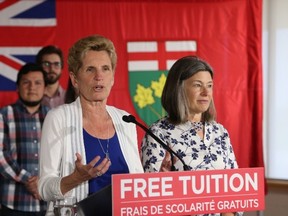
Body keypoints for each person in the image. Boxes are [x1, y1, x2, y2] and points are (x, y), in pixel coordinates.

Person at [38, 35, 143, 213]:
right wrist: (75, 178)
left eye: (105, 69)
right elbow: (43, 188)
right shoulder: (58, 118)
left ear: (113, 78)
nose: (99, 76)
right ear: (75, 79)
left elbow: (137, 180)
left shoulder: (126, 120)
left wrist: (159, 175)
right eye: (90, 69)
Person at [141, 56, 242, 216]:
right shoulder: (158, 133)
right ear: (178, 88)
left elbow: (234, 189)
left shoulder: (220, 132)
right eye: (197, 85)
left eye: (209, 86)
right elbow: (150, 202)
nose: (206, 92)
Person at [0, 63, 49, 216]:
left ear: (45, 88)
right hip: (14, 202)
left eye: (37, 83)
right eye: (26, 82)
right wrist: (30, 180)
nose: (32, 87)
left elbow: (62, 155)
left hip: (47, 202)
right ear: (17, 87)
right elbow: (0, 155)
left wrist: (43, 184)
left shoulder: (53, 116)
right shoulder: (4, 114)